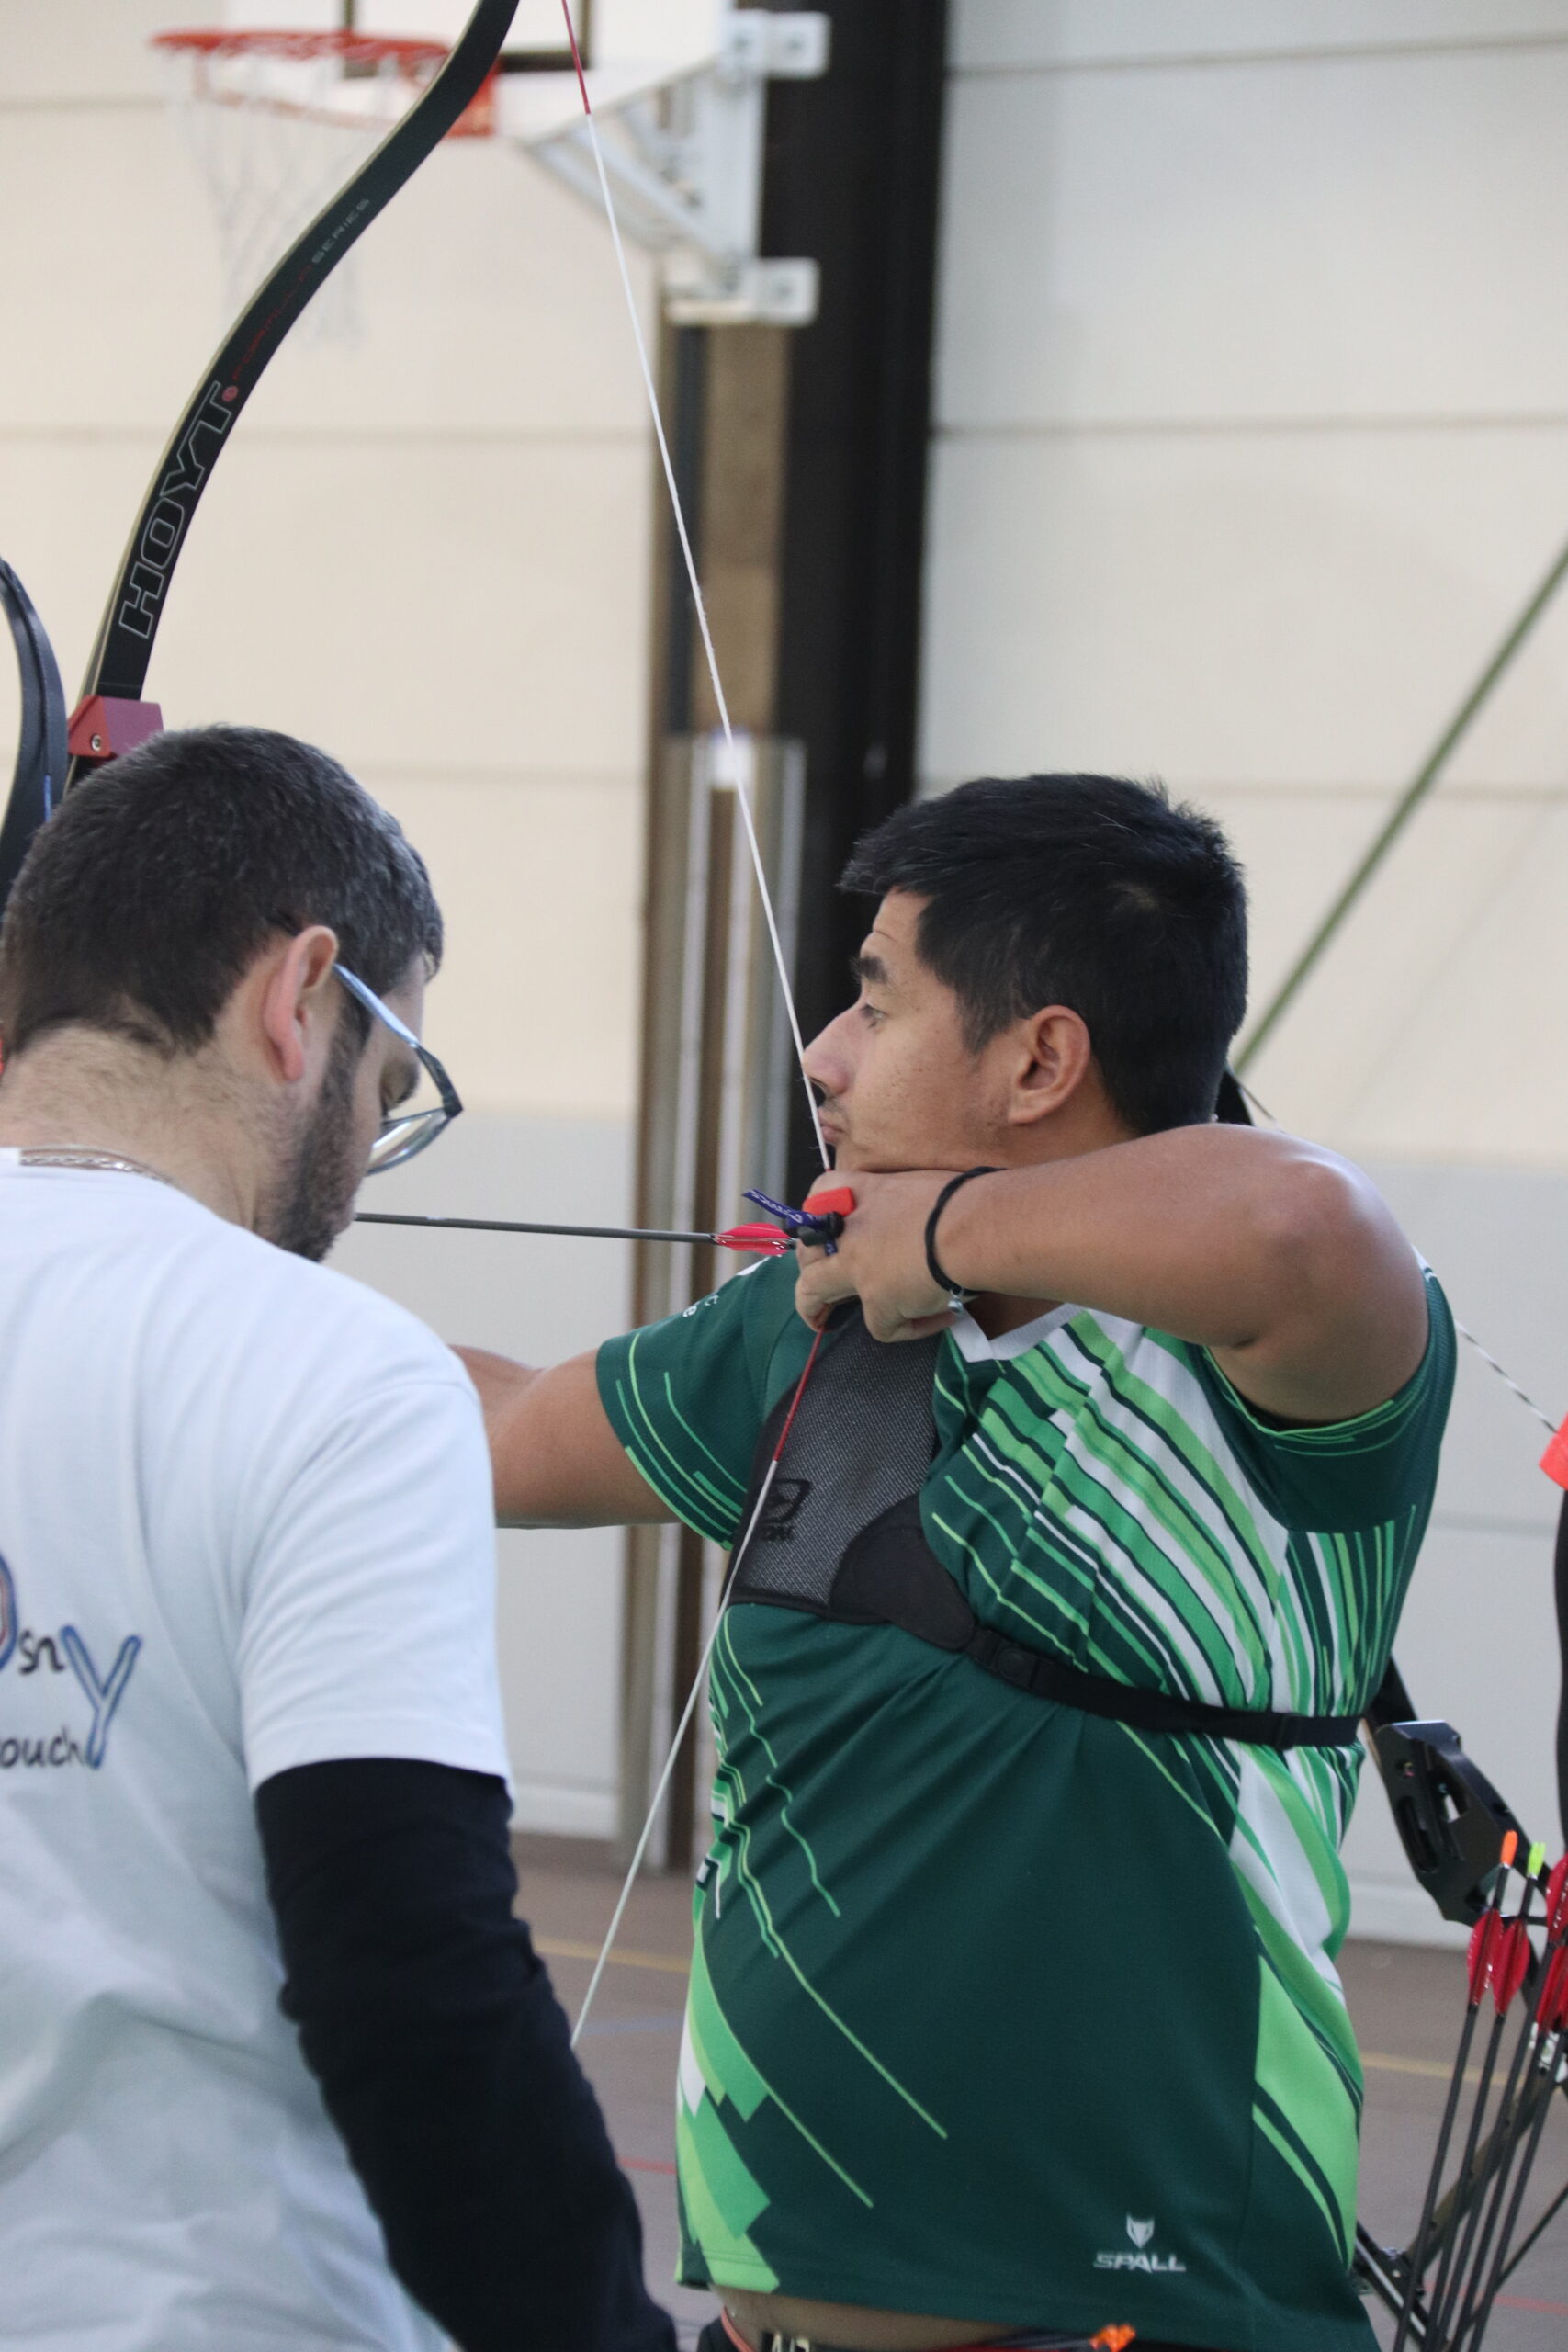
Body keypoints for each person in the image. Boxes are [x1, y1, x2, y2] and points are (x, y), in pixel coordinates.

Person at [463, 774, 1456, 2352]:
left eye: (876, 1000)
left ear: (1040, 1059)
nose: (824, 1054)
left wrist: (937, 1235)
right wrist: (171, 1256)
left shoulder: (1270, 1368)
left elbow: (1301, 1223)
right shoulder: (822, 1335)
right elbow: (492, 1430)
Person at [0, 725, 673, 2352]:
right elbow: (416, 1987)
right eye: (387, 1089)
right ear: (300, 995)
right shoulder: (338, 1369)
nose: (366, 1158)